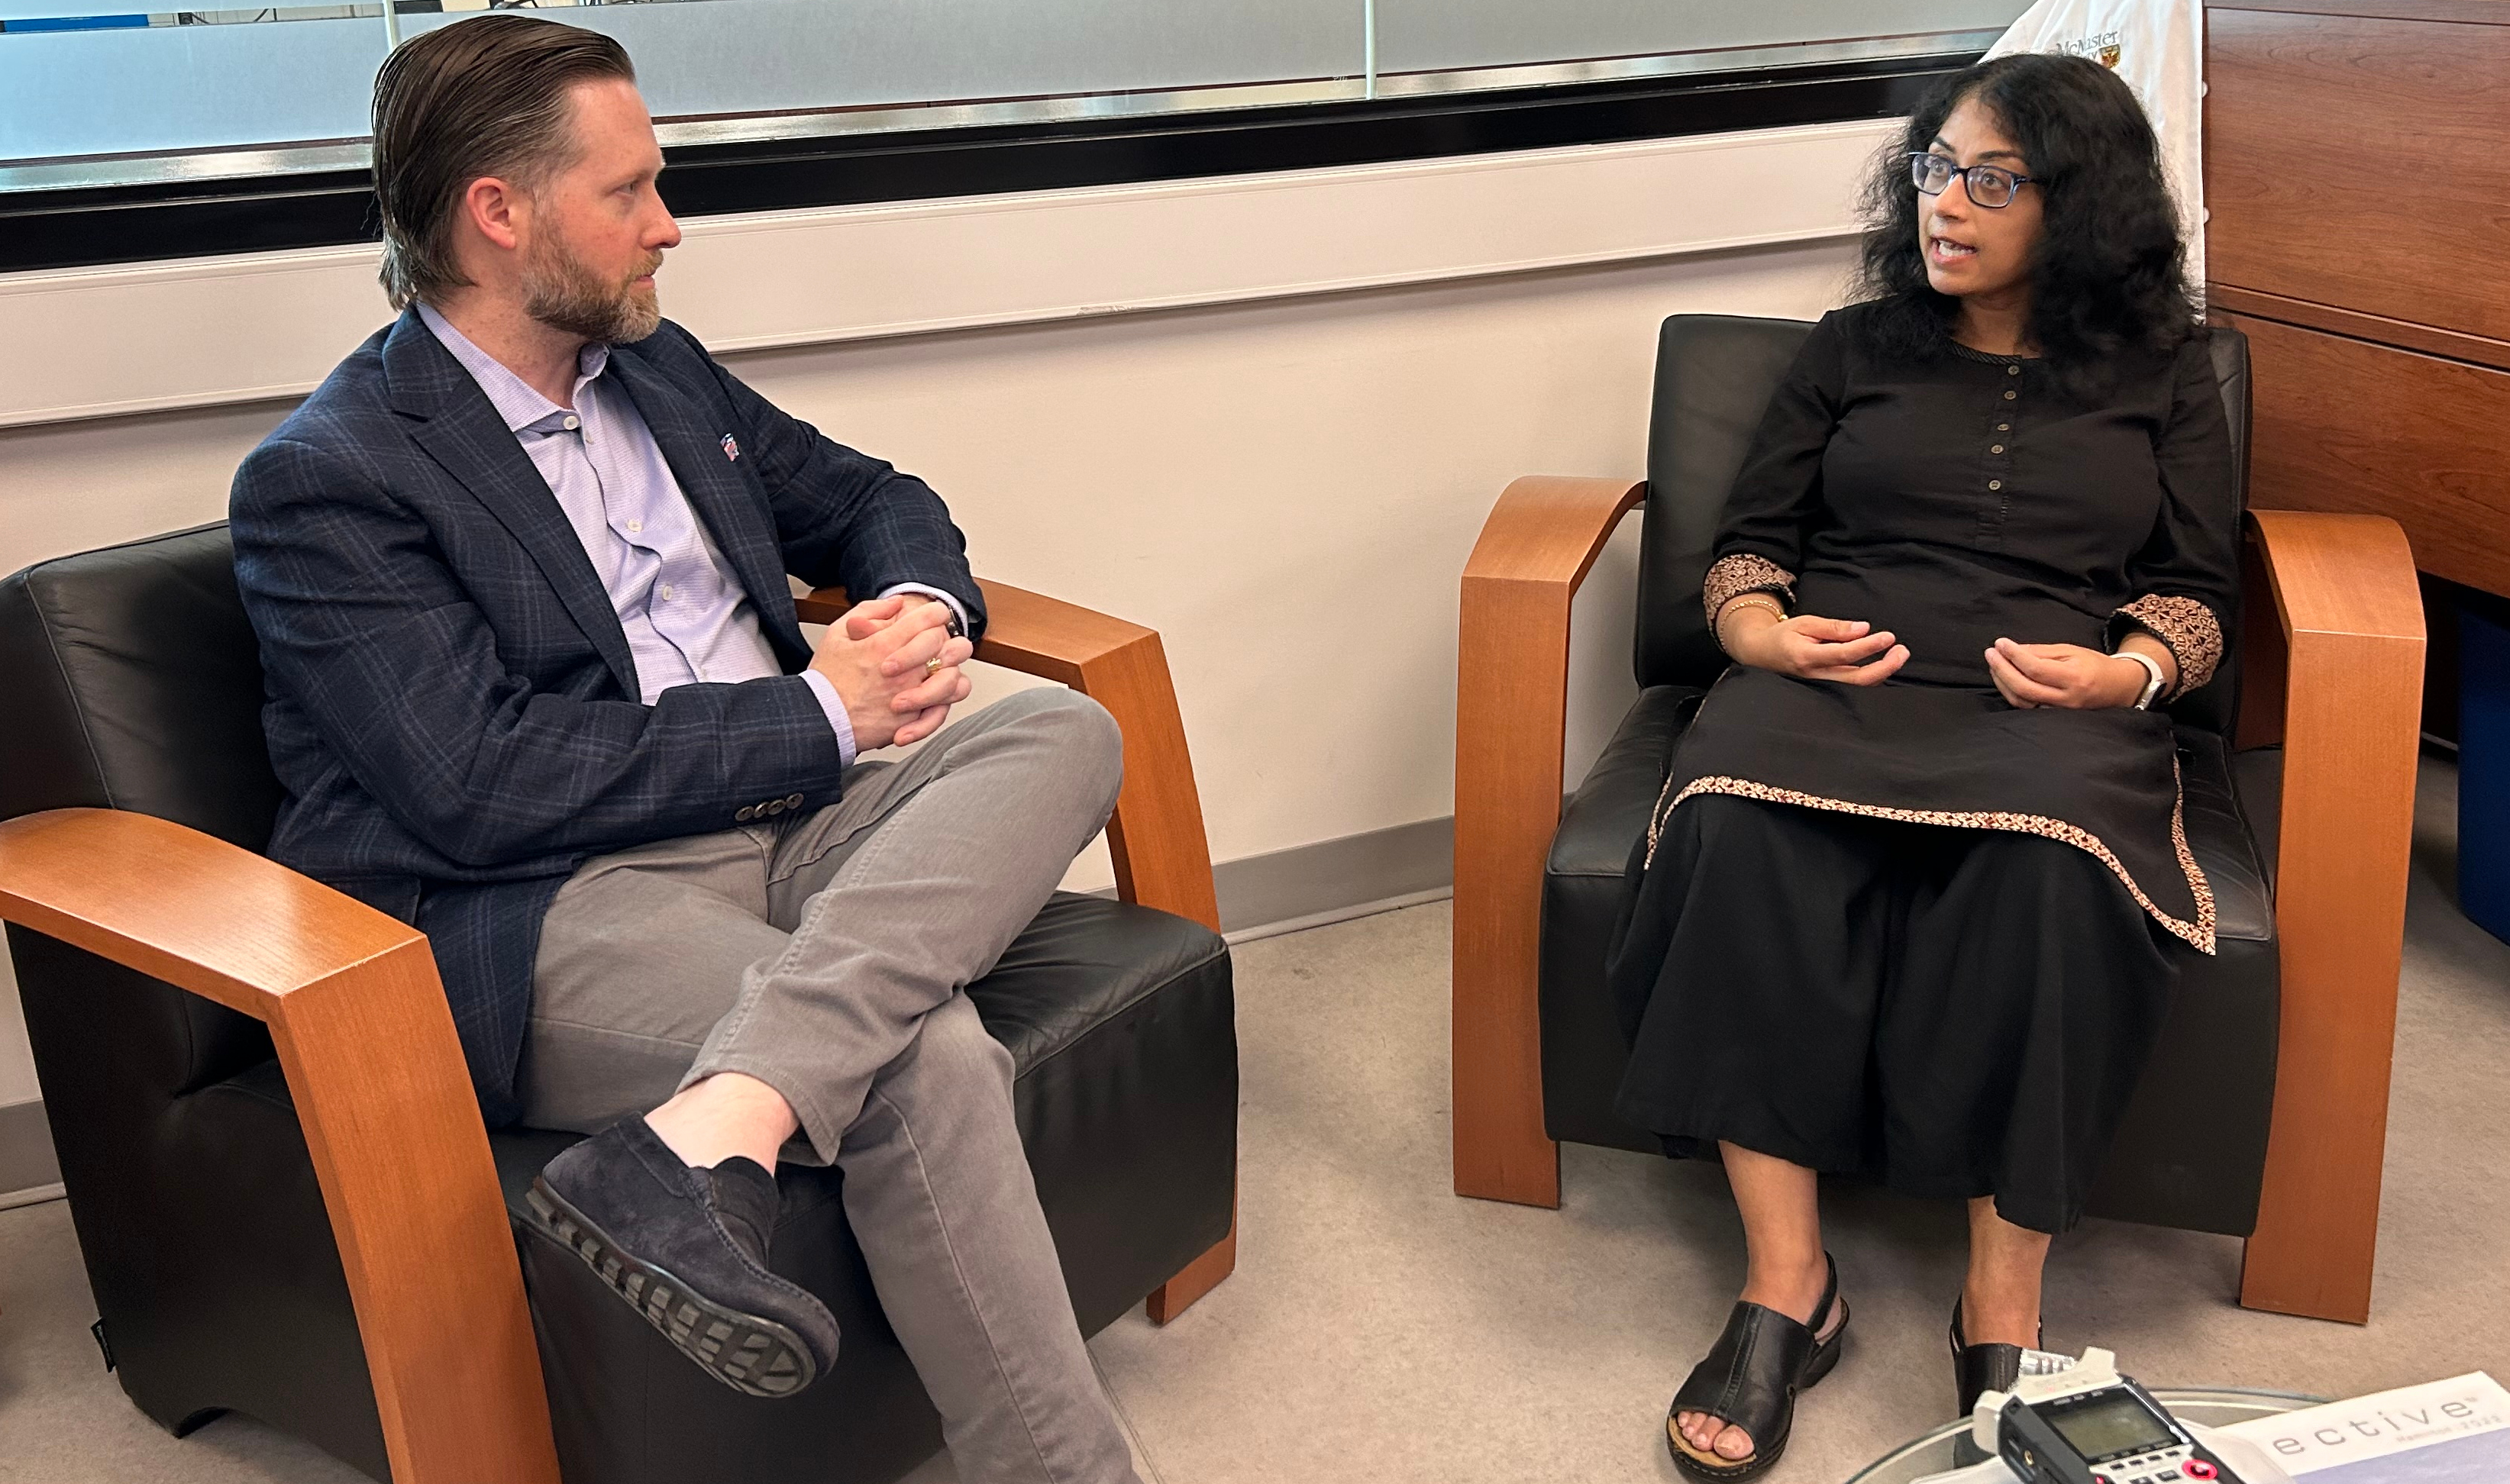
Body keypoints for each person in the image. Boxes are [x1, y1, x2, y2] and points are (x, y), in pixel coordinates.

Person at [228, 17, 1140, 1483]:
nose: (671, 225)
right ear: (500, 214)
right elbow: (476, 785)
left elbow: (869, 494)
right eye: (630, 192)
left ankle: (713, 1123)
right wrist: (825, 713)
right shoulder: (331, 480)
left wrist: (909, 608)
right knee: (921, 1058)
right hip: (546, 901)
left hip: (790, 820)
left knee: (1063, 727)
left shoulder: (655, 372)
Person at [1606, 53, 2236, 1481]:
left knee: (2049, 874)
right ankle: (1788, 1286)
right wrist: (1762, 639)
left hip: (2049, 706)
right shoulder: (1855, 345)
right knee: (1738, 834)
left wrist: (2125, 672)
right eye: (1935, 168)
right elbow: (1750, 545)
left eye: (1992, 180)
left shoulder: (2164, 374)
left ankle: (2000, 1302)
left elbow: (2194, 592)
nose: (1945, 203)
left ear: (2080, 208)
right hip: (1841, 680)